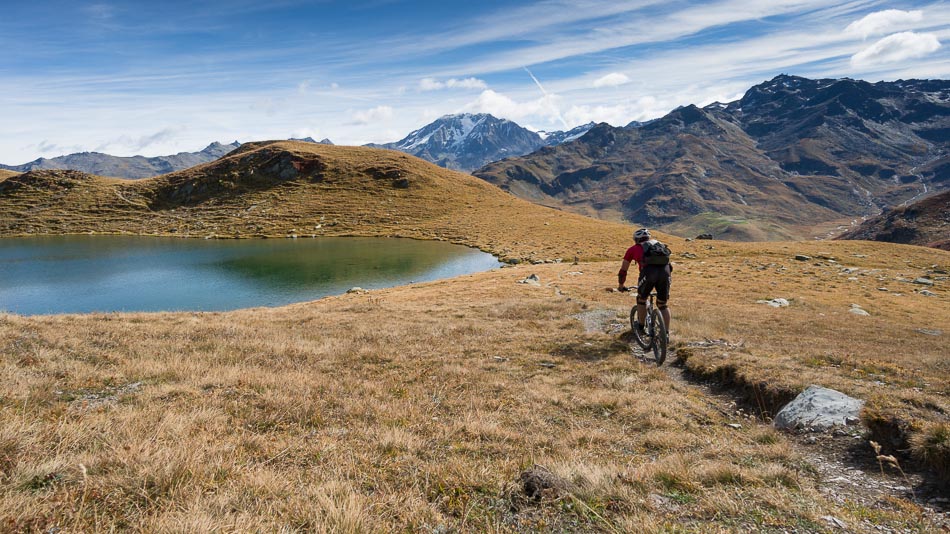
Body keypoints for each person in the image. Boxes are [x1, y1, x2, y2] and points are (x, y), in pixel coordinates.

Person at [618, 228, 672, 334]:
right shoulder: (659, 245)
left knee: (641, 299)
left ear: (636, 239)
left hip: (648, 274)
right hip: (665, 273)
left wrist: (621, 285)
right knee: (663, 304)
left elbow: (623, 270)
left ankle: (641, 326)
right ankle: (665, 333)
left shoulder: (633, 249)